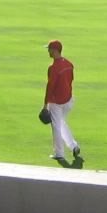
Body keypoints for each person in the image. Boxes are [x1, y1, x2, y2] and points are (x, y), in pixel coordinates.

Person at [43, 39, 83, 169]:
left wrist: (45, 105)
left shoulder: (53, 68)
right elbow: (71, 80)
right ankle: (74, 146)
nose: (48, 51)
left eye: (49, 49)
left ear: (54, 51)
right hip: (69, 100)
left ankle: (59, 153)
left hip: (56, 102)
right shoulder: (69, 64)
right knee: (61, 123)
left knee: (56, 126)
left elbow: (50, 87)